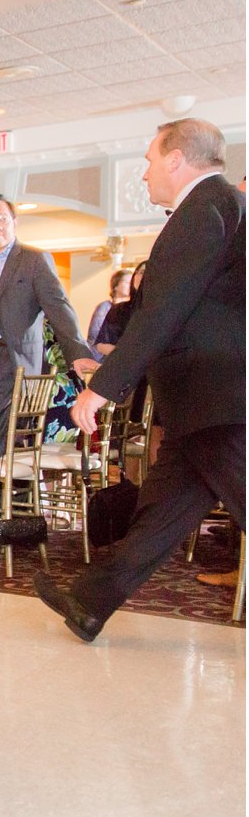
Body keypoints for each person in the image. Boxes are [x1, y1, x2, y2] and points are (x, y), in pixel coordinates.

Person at [36, 119, 244, 643]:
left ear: (177, 160)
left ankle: (91, 599)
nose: (145, 171)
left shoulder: (203, 209)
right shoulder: (221, 207)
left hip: (219, 397)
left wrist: (104, 386)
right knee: (161, 516)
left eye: (151, 159)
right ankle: (90, 601)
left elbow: (163, 313)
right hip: (205, 401)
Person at [0, 192, 97, 458]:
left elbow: (59, 306)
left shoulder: (33, 260)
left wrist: (79, 353)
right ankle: (4, 497)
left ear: (14, 222)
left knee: (4, 441)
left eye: (2, 218)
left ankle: (0, 499)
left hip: (13, 359)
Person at [94, 263, 146, 356]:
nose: (145, 276)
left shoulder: (165, 309)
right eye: (142, 272)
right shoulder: (117, 309)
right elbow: (99, 342)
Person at [86, 267, 133, 348]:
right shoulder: (105, 307)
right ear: (116, 285)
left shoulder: (132, 307)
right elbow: (94, 334)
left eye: (131, 283)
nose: (130, 285)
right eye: (127, 282)